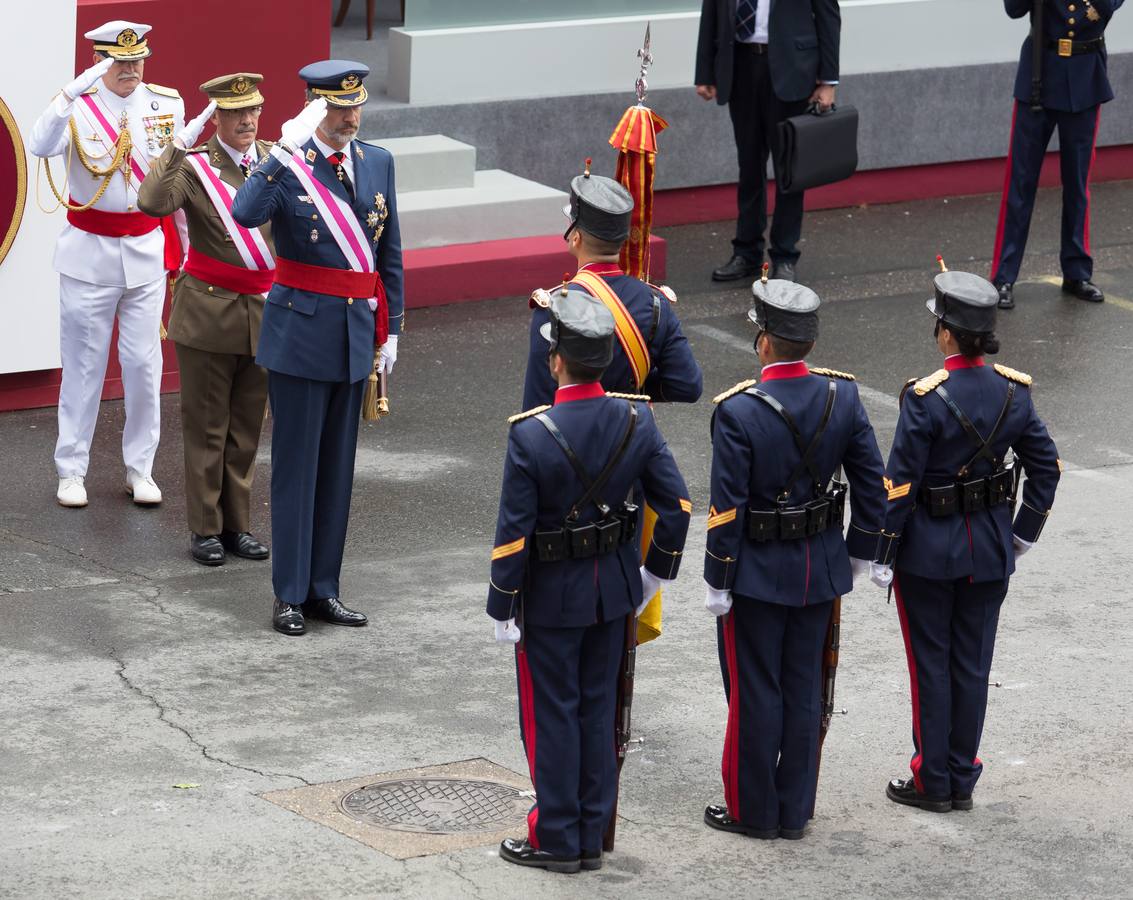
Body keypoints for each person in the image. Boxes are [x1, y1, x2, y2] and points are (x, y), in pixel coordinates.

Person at [488, 289, 691, 873]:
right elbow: (675, 506)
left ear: (557, 360)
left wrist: (501, 604)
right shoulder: (637, 417)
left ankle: (557, 836)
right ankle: (592, 833)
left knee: (554, 714)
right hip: (614, 592)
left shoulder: (531, 433)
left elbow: (513, 532)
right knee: (598, 712)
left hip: (550, 598)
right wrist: (654, 572)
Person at [871, 265, 1061, 812]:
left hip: (929, 553)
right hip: (991, 548)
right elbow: (1045, 470)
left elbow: (900, 483)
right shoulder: (1014, 392)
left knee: (931, 664)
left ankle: (932, 780)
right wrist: (1021, 534)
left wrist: (884, 551)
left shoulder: (925, 397)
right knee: (973, 664)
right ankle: (961, 775)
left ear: (948, 334)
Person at [702, 273, 885, 840]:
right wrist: (856, 556)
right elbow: (872, 489)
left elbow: (727, 509)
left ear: (763, 342)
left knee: (756, 690)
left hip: (757, 572)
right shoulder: (843, 396)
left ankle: (753, 813)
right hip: (820, 567)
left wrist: (717, 579)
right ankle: (794, 809)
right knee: (805, 689)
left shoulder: (739, 411)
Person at [231, 60, 403, 636]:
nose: (350, 116)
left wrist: (393, 329)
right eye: (336, 107)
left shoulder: (377, 162)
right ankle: (288, 594)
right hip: (300, 334)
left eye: (356, 104)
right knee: (297, 470)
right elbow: (245, 213)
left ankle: (324, 589)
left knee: (337, 471)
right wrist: (283, 148)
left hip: (356, 334)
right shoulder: (288, 166)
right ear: (313, 108)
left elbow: (389, 253)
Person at [28, 21, 185, 508]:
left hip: (143, 254)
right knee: (83, 367)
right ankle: (71, 470)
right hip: (88, 255)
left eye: (138, 58)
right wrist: (69, 93)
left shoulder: (166, 105)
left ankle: (141, 468)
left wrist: (187, 245)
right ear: (100, 63)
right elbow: (39, 144)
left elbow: (175, 185)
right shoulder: (78, 108)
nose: (132, 68)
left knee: (142, 367)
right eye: (120, 61)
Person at [137, 73, 275, 567]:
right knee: (207, 427)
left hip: (263, 313)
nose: (247, 121)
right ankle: (205, 528)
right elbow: (151, 202)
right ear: (216, 117)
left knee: (246, 428)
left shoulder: (274, 162)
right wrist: (178, 145)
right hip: (208, 312)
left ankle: (238, 524)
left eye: (253, 111)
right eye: (236, 113)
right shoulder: (196, 168)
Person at [521, 166, 702, 409]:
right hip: (634, 437)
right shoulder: (656, 302)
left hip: (573, 441)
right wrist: (630, 391)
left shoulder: (553, 307)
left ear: (575, 238)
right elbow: (686, 385)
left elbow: (538, 406)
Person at [694, 0, 841, 284]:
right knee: (748, 166)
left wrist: (828, 81)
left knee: (789, 171)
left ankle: (784, 256)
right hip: (740, 67)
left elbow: (828, 15)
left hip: (792, 69)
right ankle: (747, 253)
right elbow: (711, 12)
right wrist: (705, 72)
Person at [991, 0, 1124, 309]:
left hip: (1085, 74)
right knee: (1020, 183)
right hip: (1041, 71)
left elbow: (1108, 6)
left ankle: (1077, 272)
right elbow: (1013, 9)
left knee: (1077, 183)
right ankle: (1004, 275)